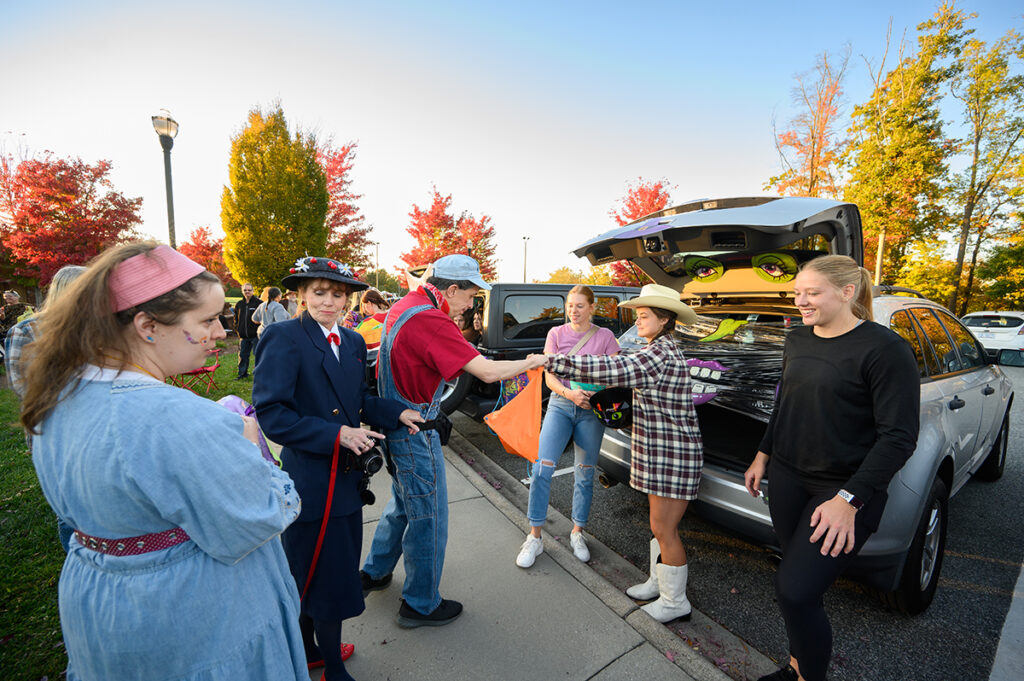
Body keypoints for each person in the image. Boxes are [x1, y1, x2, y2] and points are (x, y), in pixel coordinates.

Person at [20, 242, 307, 681]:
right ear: (147, 325)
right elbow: (257, 516)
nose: (222, 332)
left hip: (101, 609)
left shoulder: (58, 397)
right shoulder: (176, 416)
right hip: (190, 619)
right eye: (208, 320)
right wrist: (252, 451)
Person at [744, 255, 919, 681]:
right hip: (787, 476)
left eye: (812, 292)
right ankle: (797, 667)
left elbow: (898, 438)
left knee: (797, 591)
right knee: (793, 583)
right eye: (797, 293)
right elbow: (786, 404)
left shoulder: (885, 349)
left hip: (842, 488)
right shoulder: (798, 339)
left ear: (847, 292)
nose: (801, 301)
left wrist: (849, 501)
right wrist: (763, 454)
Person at [252, 256, 424, 681]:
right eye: (319, 293)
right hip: (310, 481)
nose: (329, 301)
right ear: (301, 294)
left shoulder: (349, 342)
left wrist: (396, 411)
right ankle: (328, 663)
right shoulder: (283, 336)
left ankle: (315, 652)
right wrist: (337, 435)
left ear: (348, 299)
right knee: (318, 576)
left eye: (338, 294)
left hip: (345, 480)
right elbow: (272, 414)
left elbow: (358, 402)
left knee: (334, 570)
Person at [360, 254, 547, 627]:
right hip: (415, 433)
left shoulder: (405, 305)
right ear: (452, 289)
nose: (471, 304)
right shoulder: (431, 319)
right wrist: (533, 360)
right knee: (429, 518)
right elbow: (488, 372)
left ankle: (375, 572)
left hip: (397, 426)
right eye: (471, 295)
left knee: (402, 505)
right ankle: (420, 603)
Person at [544, 283, 702, 623]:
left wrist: (553, 361)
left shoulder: (658, 353)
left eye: (644, 316)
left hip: (672, 454)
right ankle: (658, 583)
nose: (638, 321)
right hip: (661, 450)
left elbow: (614, 370)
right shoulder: (657, 348)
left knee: (665, 528)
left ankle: (676, 602)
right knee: (659, 526)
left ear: (664, 320)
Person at [515, 285, 620, 568]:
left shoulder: (606, 337)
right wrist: (570, 394)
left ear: (592, 307)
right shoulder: (556, 334)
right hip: (561, 406)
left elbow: (615, 375)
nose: (573, 310)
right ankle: (535, 537)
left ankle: (577, 533)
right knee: (542, 469)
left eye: (580, 305)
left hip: (590, 411)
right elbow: (550, 379)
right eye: (570, 305)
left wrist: (595, 395)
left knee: (585, 475)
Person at [5, 265, 87, 551]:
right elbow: (25, 387)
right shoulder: (27, 331)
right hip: (54, 432)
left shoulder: (99, 330)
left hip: (96, 429)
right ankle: (77, 567)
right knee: (69, 510)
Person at [234, 282, 260, 378]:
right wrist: (237, 329)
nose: (247, 292)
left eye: (249, 290)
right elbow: (236, 318)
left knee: (258, 355)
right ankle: (242, 374)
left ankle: (259, 374)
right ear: (242, 291)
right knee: (242, 355)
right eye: (245, 290)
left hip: (255, 335)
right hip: (243, 336)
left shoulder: (259, 303)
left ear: (253, 291)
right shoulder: (239, 304)